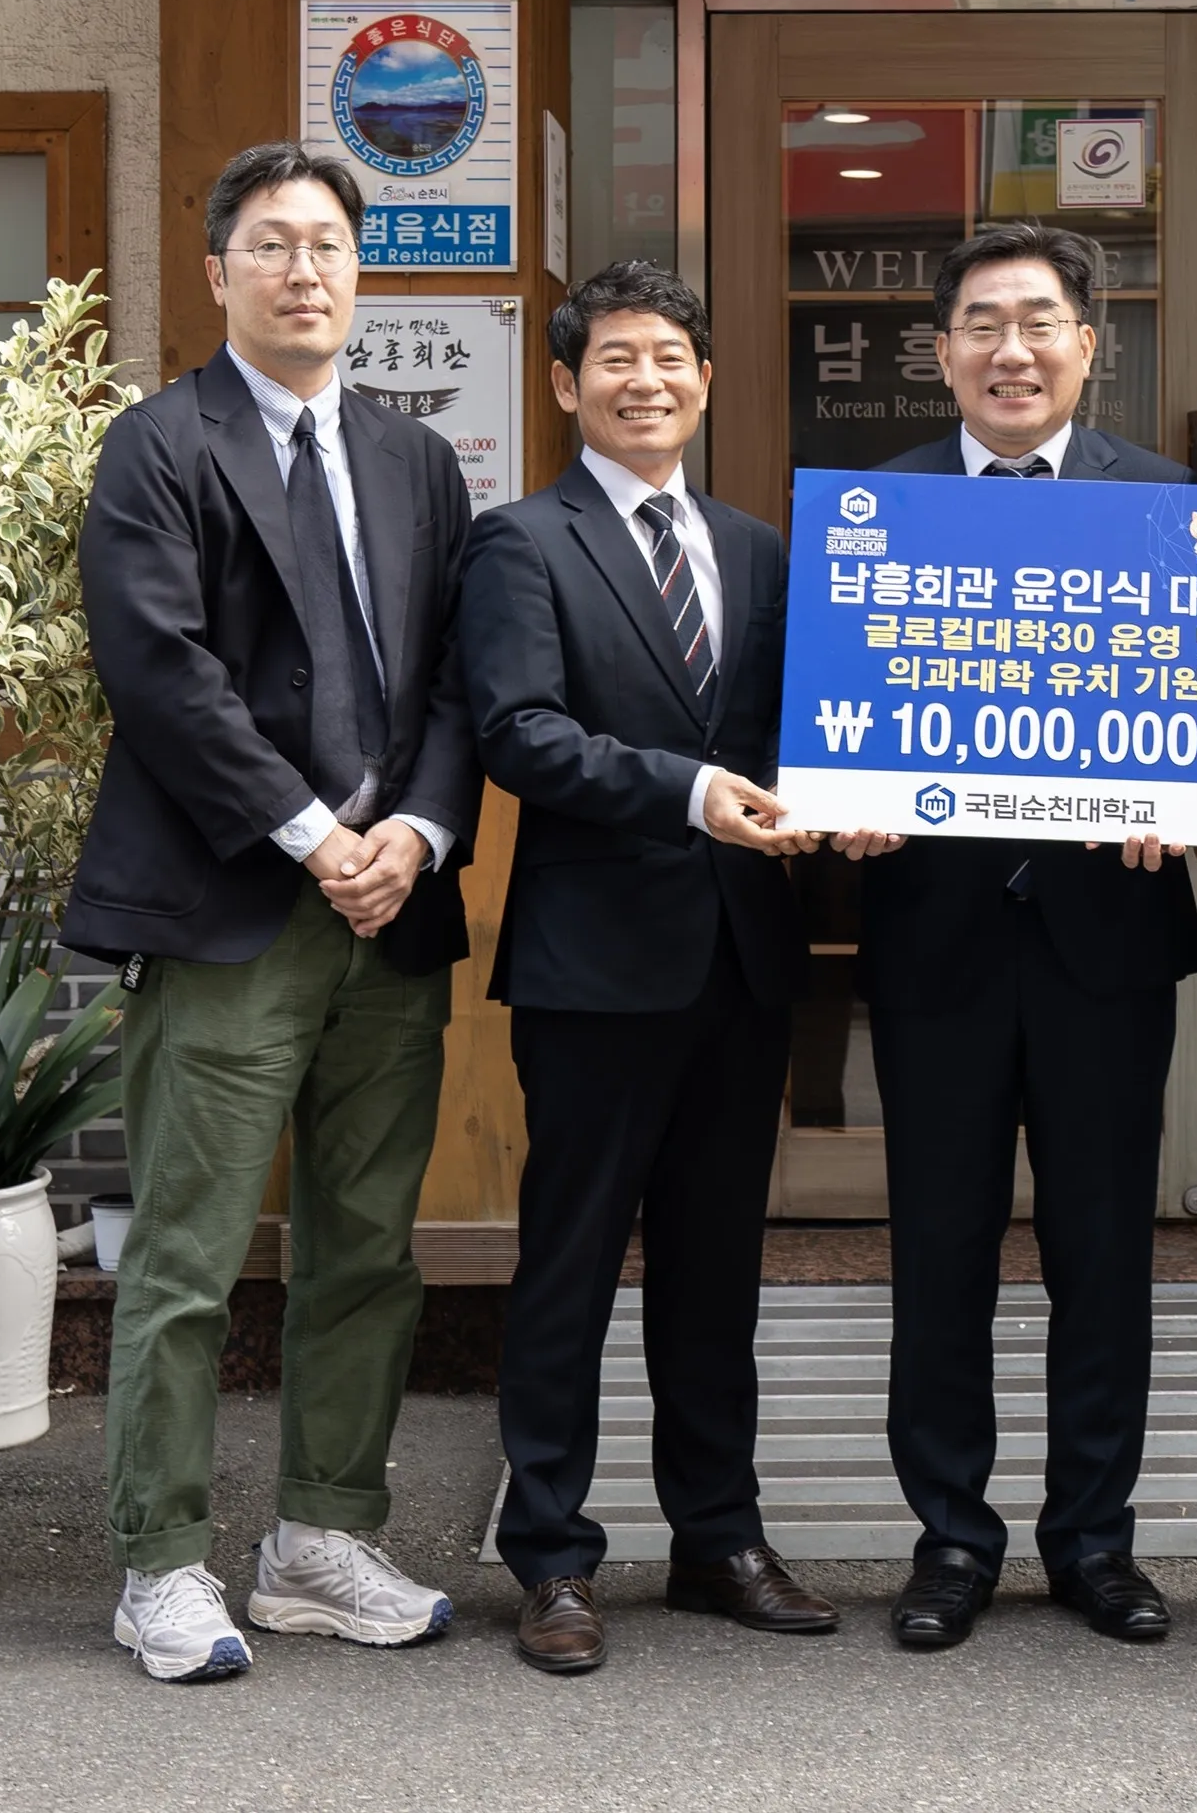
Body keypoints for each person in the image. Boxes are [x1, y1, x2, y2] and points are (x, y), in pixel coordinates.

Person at [64, 141, 480, 1683]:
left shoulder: (414, 458)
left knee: (366, 1245)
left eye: (328, 245)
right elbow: (161, 673)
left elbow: (457, 679)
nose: (305, 269)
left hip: (393, 914)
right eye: (272, 244)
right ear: (220, 272)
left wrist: (418, 835)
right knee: (186, 1253)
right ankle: (160, 1560)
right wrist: (318, 836)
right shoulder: (158, 447)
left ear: (360, 275)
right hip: (235, 902)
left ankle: (319, 1537)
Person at [829, 223, 1197, 1651]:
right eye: (981, 323)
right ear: (940, 353)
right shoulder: (876, 509)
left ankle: (1092, 1542)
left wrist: (1182, 801)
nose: (1010, 349)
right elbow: (828, 724)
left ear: (1085, 346)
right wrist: (843, 804)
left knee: (1102, 1256)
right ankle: (948, 1541)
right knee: (936, 1252)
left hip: (1103, 943)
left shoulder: (1168, 505)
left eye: (1038, 322)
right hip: (932, 936)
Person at [456, 260, 839, 1674]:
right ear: (565, 385)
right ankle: (551, 1555)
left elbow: (814, 729)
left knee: (712, 1269)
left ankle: (718, 1536)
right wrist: (690, 791)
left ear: (706, 376)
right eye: (614, 358)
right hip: (592, 966)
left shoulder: (759, 549)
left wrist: (853, 793)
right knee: (567, 1267)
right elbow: (518, 733)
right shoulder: (522, 545)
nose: (646, 380)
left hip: (741, 961)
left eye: (671, 355)